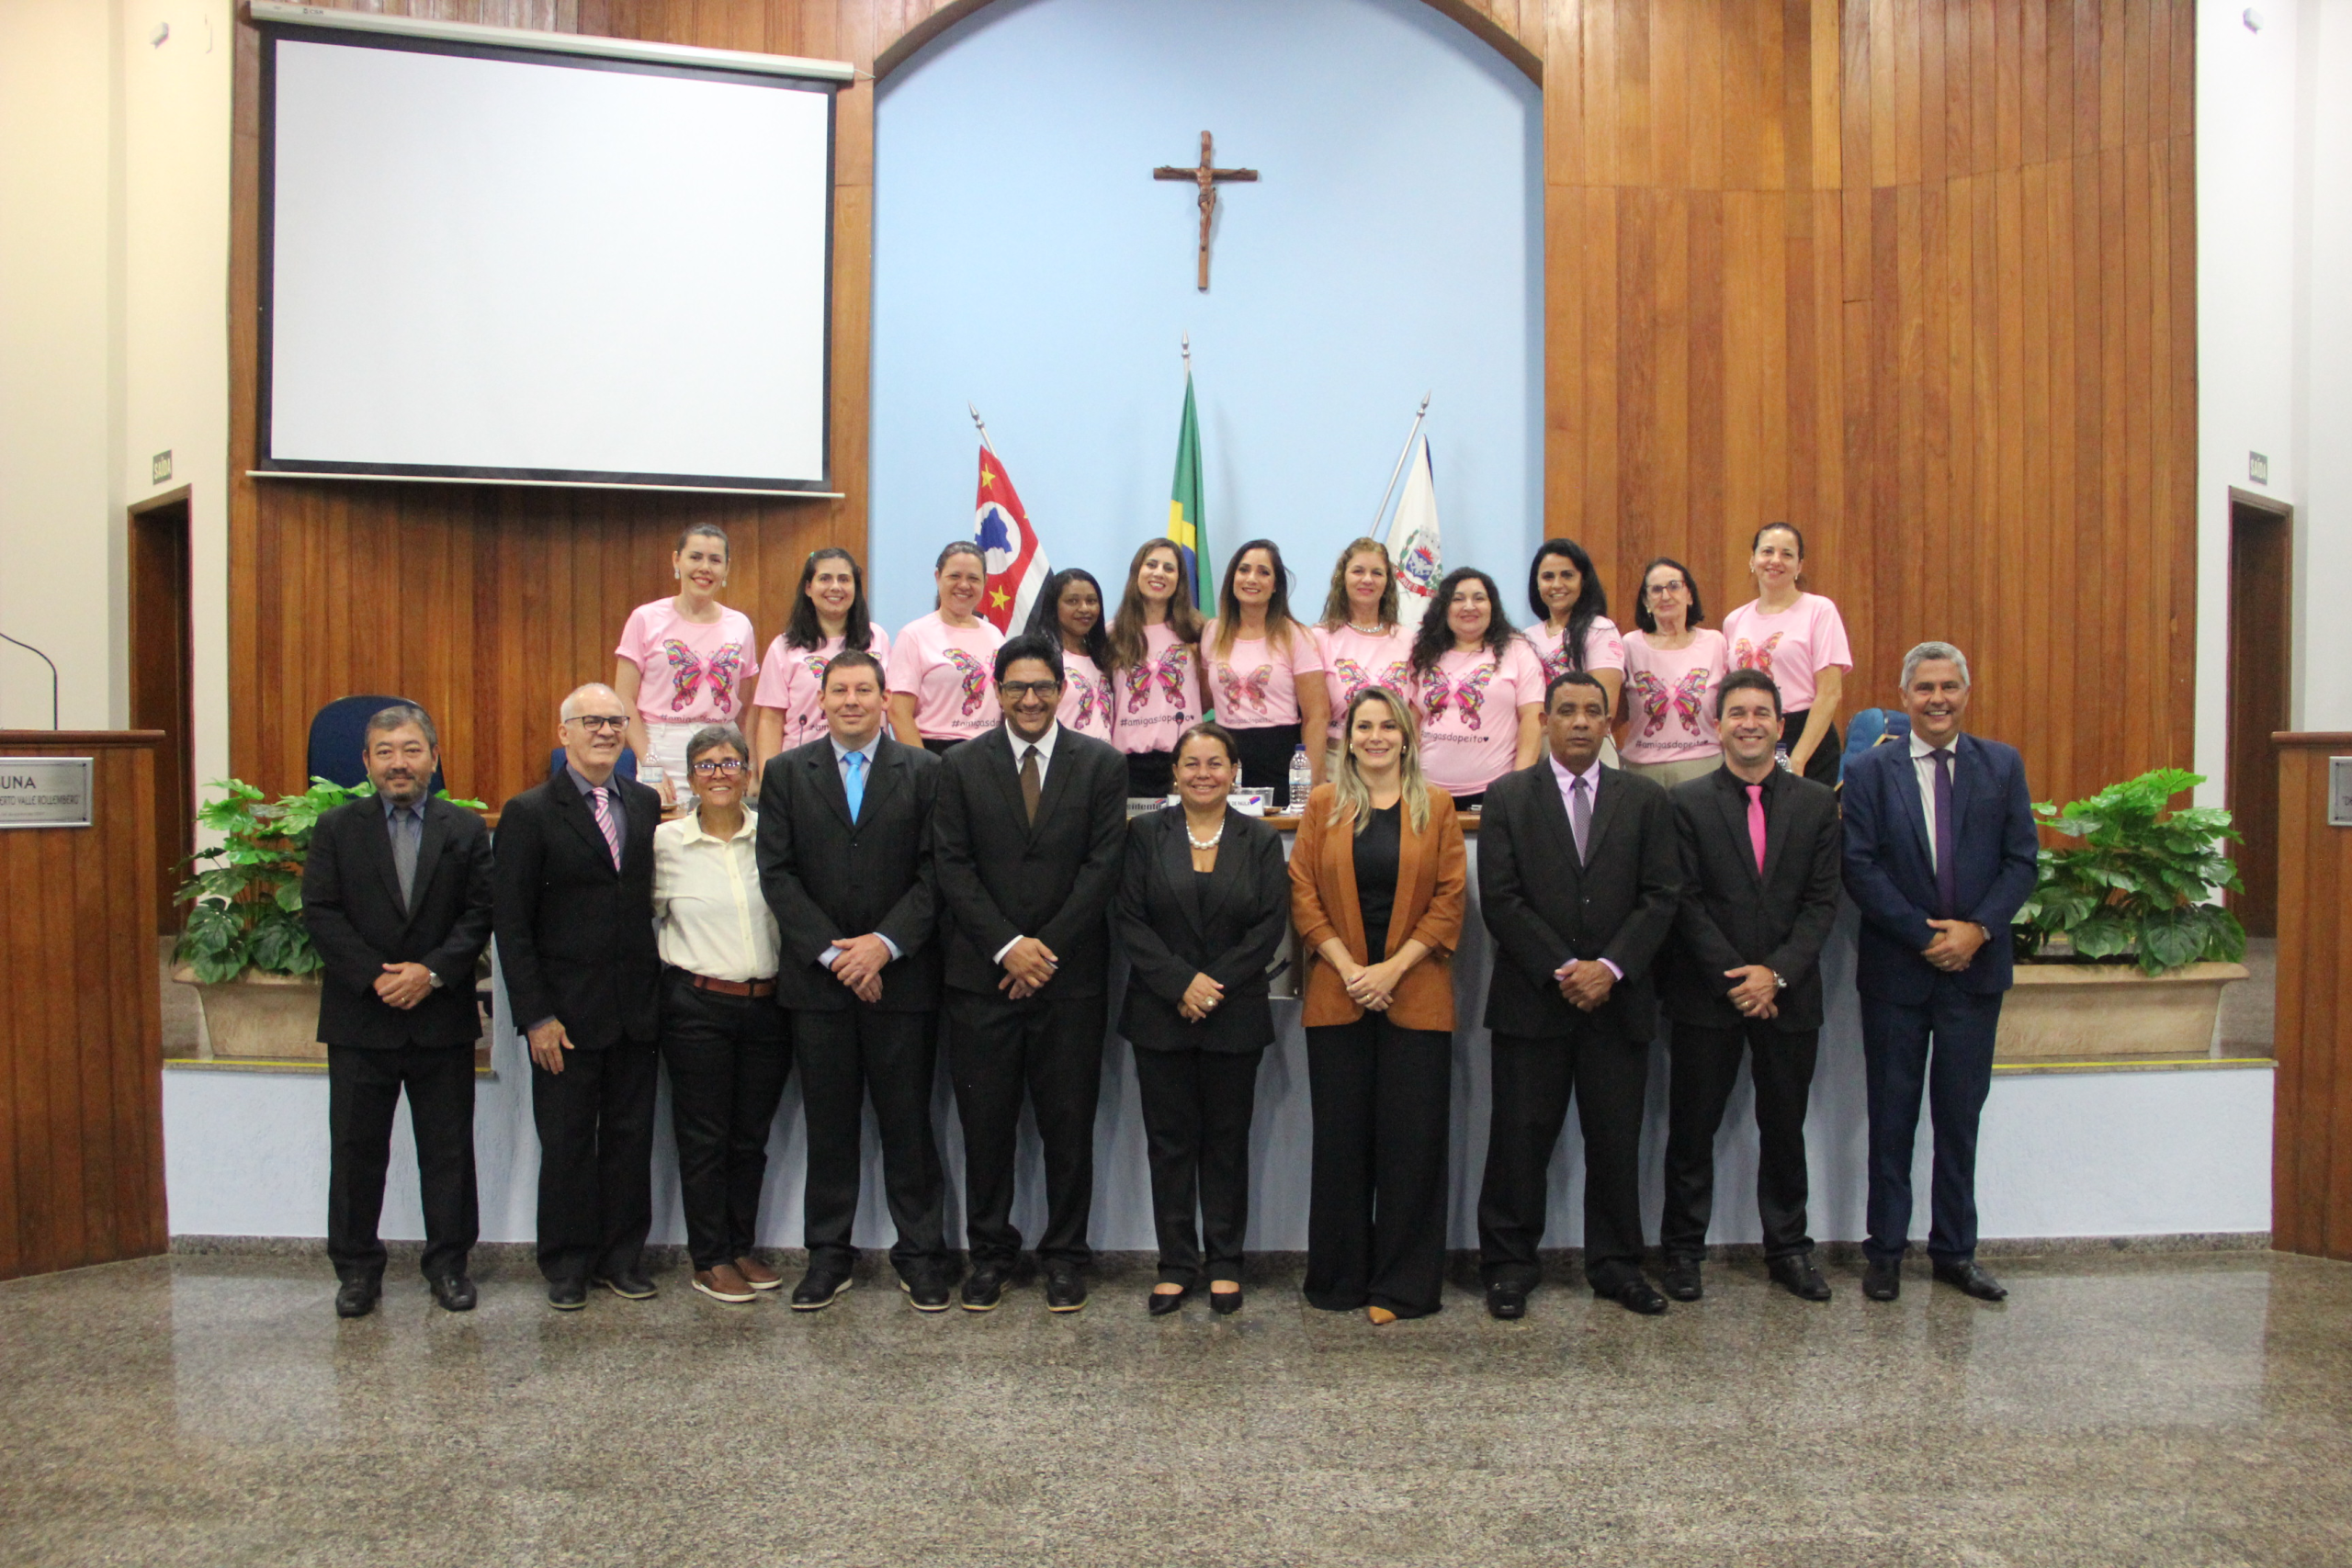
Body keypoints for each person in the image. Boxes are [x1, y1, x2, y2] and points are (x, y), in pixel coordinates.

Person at [933, 632, 1129, 1312]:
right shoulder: (959, 766)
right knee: (985, 1128)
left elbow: (1102, 867)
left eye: (1043, 686)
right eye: (1017, 686)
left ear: (1062, 690)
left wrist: (1041, 951)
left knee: (1067, 1128)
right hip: (981, 980)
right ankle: (990, 1255)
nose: (1030, 698)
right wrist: (1007, 946)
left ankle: (1065, 1256)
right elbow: (952, 865)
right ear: (997, 691)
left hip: (1069, 981)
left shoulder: (1101, 764)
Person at [1476, 671, 1680, 1318]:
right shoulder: (1508, 796)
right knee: (1519, 1142)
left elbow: (1661, 895)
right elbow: (1501, 899)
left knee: (1616, 1143)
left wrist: (1610, 968)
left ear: (1609, 722)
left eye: (1594, 710)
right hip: (1533, 1000)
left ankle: (1617, 1266)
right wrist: (1566, 968)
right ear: (1546, 721)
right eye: (1567, 710)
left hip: (1618, 1003)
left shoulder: (1644, 799)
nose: (1582, 721)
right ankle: (1509, 1266)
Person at [756, 649, 956, 1312]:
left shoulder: (925, 771)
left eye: (863, 690)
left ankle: (921, 1255)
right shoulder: (787, 772)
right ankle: (828, 1256)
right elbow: (777, 873)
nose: (850, 701)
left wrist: (882, 946)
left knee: (909, 1127)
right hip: (819, 988)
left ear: (883, 698)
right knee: (830, 1127)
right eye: (838, 690)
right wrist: (837, 956)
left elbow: (937, 872)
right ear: (820, 698)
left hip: (903, 982)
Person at [1842, 641, 2038, 1303]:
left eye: (1949, 686)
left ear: (1966, 693)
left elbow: (2022, 860)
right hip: (1898, 973)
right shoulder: (1871, 772)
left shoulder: (2002, 765)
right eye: (1924, 688)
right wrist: (1925, 935)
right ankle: (1885, 1253)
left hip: (1974, 974)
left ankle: (1955, 1251)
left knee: (1959, 1120)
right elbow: (1859, 865)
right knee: (1891, 1118)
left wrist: (1977, 930)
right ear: (1905, 698)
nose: (1937, 699)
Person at [1657, 670, 1845, 1303]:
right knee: (1691, 1133)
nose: (1750, 723)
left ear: (1780, 725)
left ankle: (1789, 1250)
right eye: (1737, 713)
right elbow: (1683, 900)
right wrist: (1736, 976)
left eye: (1762, 713)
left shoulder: (1815, 804)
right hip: (1707, 996)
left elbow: (1821, 903)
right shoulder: (1686, 803)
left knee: (1785, 1130)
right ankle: (1683, 1251)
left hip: (1789, 996)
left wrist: (1776, 973)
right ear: (1718, 725)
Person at [301, 703, 494, 1318]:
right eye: (385, 752)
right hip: (362, 1018)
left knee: (448, 1152)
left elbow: (481, 911)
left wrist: (429, 973)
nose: (398, 763)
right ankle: (357, 1270)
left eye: (411, 750)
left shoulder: (465, 828)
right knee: (356, 1153)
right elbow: (321, 911)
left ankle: (449, 1266)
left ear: (433, 757)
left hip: (440, 1017)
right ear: (366, 762)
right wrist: (376, 977)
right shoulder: (336, 827)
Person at [1289, 687, 1466, 1324]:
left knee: (1412, 1147)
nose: (1375, 737)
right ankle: (1339, 1279)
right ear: (1348, 738)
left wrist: (1390, 970)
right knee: (1341, 1144)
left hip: (1416, 994)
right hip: (1337, 993)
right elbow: (1303, 892)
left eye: (1388, 726)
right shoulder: (1323, 804)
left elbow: (1449, 899)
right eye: (1364, 726)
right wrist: (1349, 969)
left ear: (1406, 737)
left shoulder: (1436, 806)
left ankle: (1403, 1287)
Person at [493, 682, 664, 1310]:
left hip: (634, 1010)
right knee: (567, 1144)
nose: (605, 731)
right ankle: (566, 1264)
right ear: (563, 733)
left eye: (615, 721)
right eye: (591, 721)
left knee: (630, 1140)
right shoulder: (529, 812)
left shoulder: (643, 802)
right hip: (562, 1016)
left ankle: (622, 1258)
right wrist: (535, 1015)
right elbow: (512, 925)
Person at [1114, 722, 1289, 1315]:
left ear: (1235, 772)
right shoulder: (1144, 835)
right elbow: (1129, 918)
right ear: (1174, 773)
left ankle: (1225, 1262)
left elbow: (1269, 925)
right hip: (1160, 1012)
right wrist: (1179, 983)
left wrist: (1211, 987)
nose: (1203, 774)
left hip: (1232, 1012)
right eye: (1191, 763)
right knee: (1168, 1143)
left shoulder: (1259, 839)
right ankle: (1174, 1263)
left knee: (1226, 1142)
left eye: (1216, 763)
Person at [651, 724, 787, 1305]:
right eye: (706, 765)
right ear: (690, 778)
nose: (720, 774)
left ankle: (740, 1245)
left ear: (749, 772)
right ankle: (709, 1258)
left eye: (730, 762)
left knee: (750, 1137)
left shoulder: (774, 836)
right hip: (697, 1008)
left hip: (768, 1007)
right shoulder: (665, 844)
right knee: (704, 1138)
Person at [614, 524, 757, 813]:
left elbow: (746, 706)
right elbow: (623, 698)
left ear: (726, 568)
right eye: (695, 557)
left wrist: (749, 763)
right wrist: (651, 765)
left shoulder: (740, 625)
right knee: (664, 833)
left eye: (715, 560)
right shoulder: (645, 619)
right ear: (676, 560)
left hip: (723, 748)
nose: (705, 568)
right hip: (662, 748)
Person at [1720, 523, 1852, 785]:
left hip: (1806, 736)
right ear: (1753, 560)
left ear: (1799, 566)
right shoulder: (1734, 620)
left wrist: (1798, 759)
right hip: (1751, 731)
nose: (1775, 560)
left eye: (1787, 554)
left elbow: (1830, 693)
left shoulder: (1820, 610)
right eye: (1767, 551)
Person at [1201, 539, 1328, 811]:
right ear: (1232, 578)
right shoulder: (1212, 632)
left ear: (1276, 585)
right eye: (1244, 570)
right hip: (1227, 762)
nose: (1251, 579)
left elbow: (1317, 715)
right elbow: (1202, 700)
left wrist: (1310, 787)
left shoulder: (1296, 635)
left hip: (1280, 760)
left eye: (1263, 572)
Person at [1406, 566, 1545, 811]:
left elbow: (1532, 719)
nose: (1469, 606)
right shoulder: (1424, 652)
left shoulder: (1517, 650)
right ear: (1444, 608)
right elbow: (1412, 721)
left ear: (1492, 606)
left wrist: (1519, 785)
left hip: (1496, 793)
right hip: (1426, 792)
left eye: (1479, 598)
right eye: (1458, 599)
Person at [750, 547, 889, 772]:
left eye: (844, 579)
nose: (835, 587)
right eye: (825, 578)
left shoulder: (877, 637)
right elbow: (771, 720)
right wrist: (770, 778)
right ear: (808, 588)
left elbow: (889, 705)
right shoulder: (784, 647)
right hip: (804, 768)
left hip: (869, 764)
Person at [1105, 538, 1211, 799]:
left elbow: (1207, 697)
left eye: (1169, 568)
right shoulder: (1112, 635)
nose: (1159, 573)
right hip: (1127, 765)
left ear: (1180, 580)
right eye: (1151, 565)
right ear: (1136, 572)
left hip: (1184, 762)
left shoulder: (1198, 631)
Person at [1620, 557, 1730, 788]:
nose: (1665, 595)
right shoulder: (1629, 645)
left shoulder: (1714, 643)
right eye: (1656, 589)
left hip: (1703, 766)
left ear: (1689, 595)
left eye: (1674, 586)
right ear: (1646, 601)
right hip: (1642, 770)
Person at [1310, 538, 1413, 779]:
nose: (1367, 579)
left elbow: (1413, 713)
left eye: (1377, 573)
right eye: (1358, 571)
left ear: (1387, 582)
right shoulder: (1319, 638)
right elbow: (1313, 717)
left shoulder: (1408, 640)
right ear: (1342, 578)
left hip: (1394, 764)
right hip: (1336, 762)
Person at [888, 541, 1003, 752]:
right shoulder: (914, 635)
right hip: (936, 753)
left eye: (973, 578)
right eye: (954, 576)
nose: (964, 585)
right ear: (938, 577)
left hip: (989, 752)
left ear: (985, 582)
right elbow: (898, 712)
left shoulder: (995, 635)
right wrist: (924, 764)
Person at [1523, 537, 1626, 716]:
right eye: (1548, 577)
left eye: (1567, 575)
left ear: (1583, 580)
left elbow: (1604, 707)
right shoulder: (1526, 638)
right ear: (1536, 583)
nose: (1557, 585)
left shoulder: (1599, 629)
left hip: (1583, 731)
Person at [1025, 567, 1116, 744]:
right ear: (1054, 606)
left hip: (1104, 757)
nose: (1084, 608)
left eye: (1091, 601)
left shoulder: (1104, 656)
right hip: (1060, 756)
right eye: (1072, 601)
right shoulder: (1041, 657)